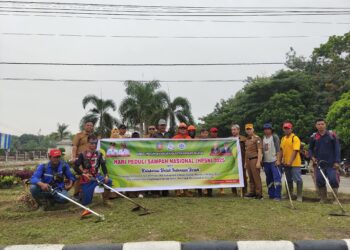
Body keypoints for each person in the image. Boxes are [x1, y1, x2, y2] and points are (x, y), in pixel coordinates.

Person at [74, 135, 112, 217]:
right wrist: (83, 174)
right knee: (86, 203)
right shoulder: (82, 155)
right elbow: (75, 166)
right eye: (91, 143)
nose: (93, 145)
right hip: (87, 179)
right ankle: (81, 195)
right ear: (87, 143)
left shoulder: (99, 154)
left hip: (97, 176)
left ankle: (105, 200)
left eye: (95, 143)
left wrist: (106, 175)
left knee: (108, 181)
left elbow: (103, 165)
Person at [308, 118, 341, 203]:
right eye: (318, 124)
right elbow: (310, 149)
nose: (320, 126)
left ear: (325, 125)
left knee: (333, 180)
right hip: (319, 164)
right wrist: (312, 157)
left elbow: (337, 149)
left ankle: (335, 199)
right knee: (319, 180)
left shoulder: (332, 135)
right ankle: (323, 198)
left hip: (331, 163)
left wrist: (337, 161)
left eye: (322, 124)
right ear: (316, 126)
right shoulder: (314, 137)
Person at [279, 121, 303, 202]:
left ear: (291, 129)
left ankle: (299, 196)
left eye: (288, 128)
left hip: (295, 163)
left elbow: (295, 151)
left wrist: (290, 161)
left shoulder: (295, 138)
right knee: (288, 179)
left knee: (297, 179)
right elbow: (281, 150)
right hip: (285, 163)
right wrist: (279, 160)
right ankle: (289, 194)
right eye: (285, 128)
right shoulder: (283, 138)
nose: (286, 130)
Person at [71, 121, 95, 199]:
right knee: (80, 175)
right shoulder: (79, 135)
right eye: (88, 125)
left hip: (89, 159)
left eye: (91, 125)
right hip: (79, 158)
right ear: (84, 126)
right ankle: (76, 194)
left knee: (88, 176)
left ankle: (84, 193)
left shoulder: (93, 137)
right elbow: (74, 146)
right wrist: (74, 157)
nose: (89, 127)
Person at [262, 123, 281, 201]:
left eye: (268, 129)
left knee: (277, 179)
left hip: (274, 161)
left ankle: (277, 196)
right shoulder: (263, 138)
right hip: (266, 162)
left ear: (271, 130)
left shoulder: (274, 137)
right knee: (269, 179)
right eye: (265, 129)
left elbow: (278, 149)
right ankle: (271, 194)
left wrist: (278, 160)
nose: (267, 131)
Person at [152, 119, 171, 197]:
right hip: (157, 158)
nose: (163, 126)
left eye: (164, 125)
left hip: (167, 158)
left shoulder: (169, 134)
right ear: (158, 126)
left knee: (166, 174)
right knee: (157, 175)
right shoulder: (154, 135)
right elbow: (151, 145)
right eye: (161, 125)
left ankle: (165, 192)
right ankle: (156, 192)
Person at [244, 123, 263, 200]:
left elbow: (259, 151)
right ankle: (252, 192)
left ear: (253, 129)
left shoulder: (257, 138)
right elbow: (246, 151)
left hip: (254, 159)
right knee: (250, 177)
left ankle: (259, 194)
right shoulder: (247, 139)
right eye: (247, 129)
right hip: (248, 160)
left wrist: (259, 162)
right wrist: (245, 162)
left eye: (250, 129)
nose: (248, 130)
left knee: (256, 177)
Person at [173, 123, 192, 197]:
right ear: (179, 129)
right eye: (181, 128)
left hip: (187, 160)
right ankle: (177, 190)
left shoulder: (189, 138)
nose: (182, 129)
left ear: (186, 129)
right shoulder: (175, 138)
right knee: (177, 175)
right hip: (177, 160)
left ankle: (186, 190)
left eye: (184, 128)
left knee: (186, 176)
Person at [230, 124, 247, 197]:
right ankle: (234, 191)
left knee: (243, 175)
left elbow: (247, 150)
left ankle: (244, 191)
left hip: (242, 160)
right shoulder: (229, 140)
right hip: (232, 160)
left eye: (234, 129)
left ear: (238, 130)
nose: (233, 131)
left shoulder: (243, 139)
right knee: (232, 175)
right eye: (232, 130)